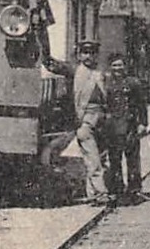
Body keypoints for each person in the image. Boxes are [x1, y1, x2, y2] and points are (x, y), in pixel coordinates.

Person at [43, 41, 108, 202]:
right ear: (79, 55)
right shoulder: (75, 71)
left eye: (92, 53)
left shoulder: (100, 74)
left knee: (97, 156)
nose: (88, 56)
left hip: (99, 119)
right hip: (84, 120)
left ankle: (92, 193)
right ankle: (100, 192)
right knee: (93, 157)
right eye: (85, 52)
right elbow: (52, 65)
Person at [97, 52, 150, 202]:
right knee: (114, 159)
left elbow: (141, 105)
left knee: (133, 159)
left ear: (125, 66)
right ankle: (117, 189)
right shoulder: (106, 83)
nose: (117, 68)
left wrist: (143, 123)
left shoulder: (133, 83)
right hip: (112, 127)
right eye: (114, 65)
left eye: (120, 65)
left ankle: (134, 189)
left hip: (130, 126)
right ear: (110, 67)